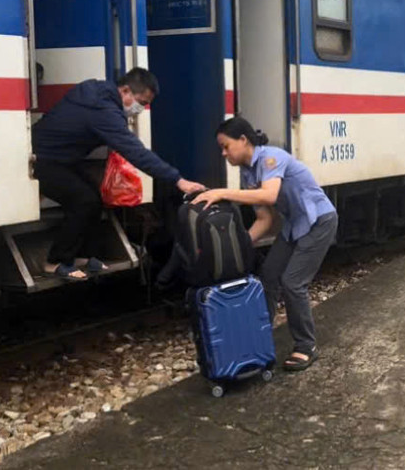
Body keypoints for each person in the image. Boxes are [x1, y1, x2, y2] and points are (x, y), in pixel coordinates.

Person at [192, 117, 339, 372]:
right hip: (295, 226)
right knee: (268, 276)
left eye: (226, 146)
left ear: (243, 140)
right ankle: (258, 337)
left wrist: (223, 192)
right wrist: (239, 247)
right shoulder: (249, 172)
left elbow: (269, 195)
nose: (224, 153)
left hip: (319, 222)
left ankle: (306, 346)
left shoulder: (272, 157)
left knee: (293, 283)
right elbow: (265, 218)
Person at [31, 68, 205, 281]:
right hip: (41, 160)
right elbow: (136, 152)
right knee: (83, 201)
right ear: (125, 90)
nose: (139, 109)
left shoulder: (97, 94)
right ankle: (54, 262)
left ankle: (80, 255)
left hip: (61, 160)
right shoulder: (103, 110)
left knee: (95, 198)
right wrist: (177, 179)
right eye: (140, 102)